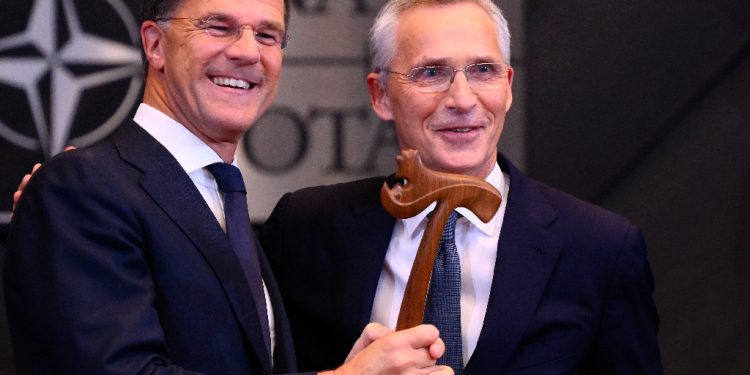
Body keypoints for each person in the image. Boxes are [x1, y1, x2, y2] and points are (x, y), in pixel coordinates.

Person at [2, 0, 452, 373]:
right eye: (219, 27)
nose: (247, 52)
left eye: (268, 35)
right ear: (155, 45)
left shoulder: (222, 200)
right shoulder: (81, 187)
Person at [259, 0, 664, 374]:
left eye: (483, 71)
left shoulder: (600, 248)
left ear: (507, 86)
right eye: (431, 72)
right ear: (380, 95)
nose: (462, 99)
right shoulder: (304, 229)